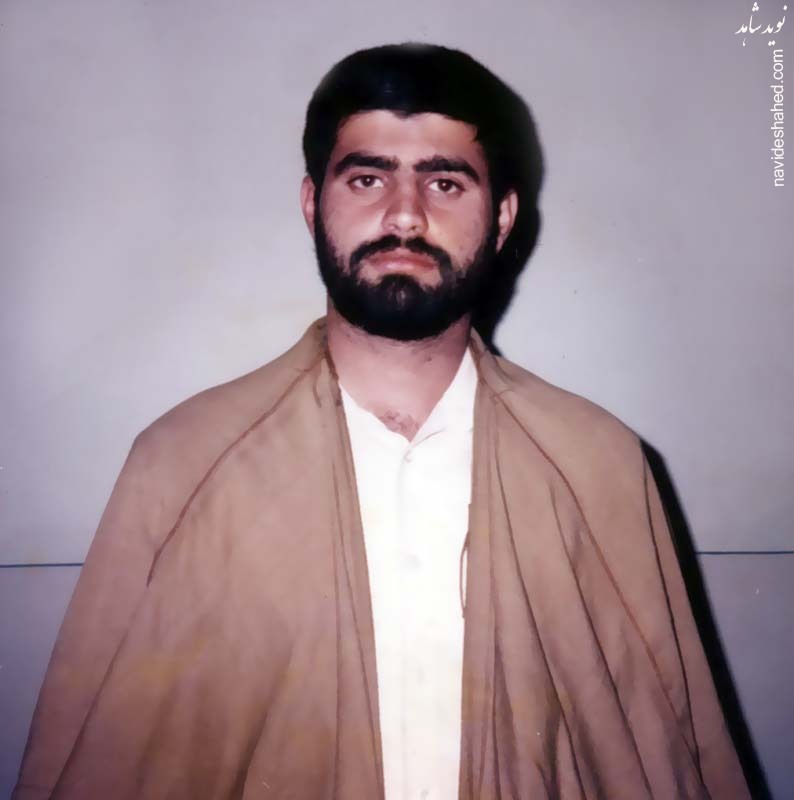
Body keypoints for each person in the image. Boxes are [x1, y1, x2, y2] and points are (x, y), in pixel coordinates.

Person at [14, 43, 750, 800]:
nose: (404, 214)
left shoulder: (598, 464)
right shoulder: (183, 463)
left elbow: (673, 751)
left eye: (444, 182)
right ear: (313, 205)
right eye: (367, 179)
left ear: (501, 217)